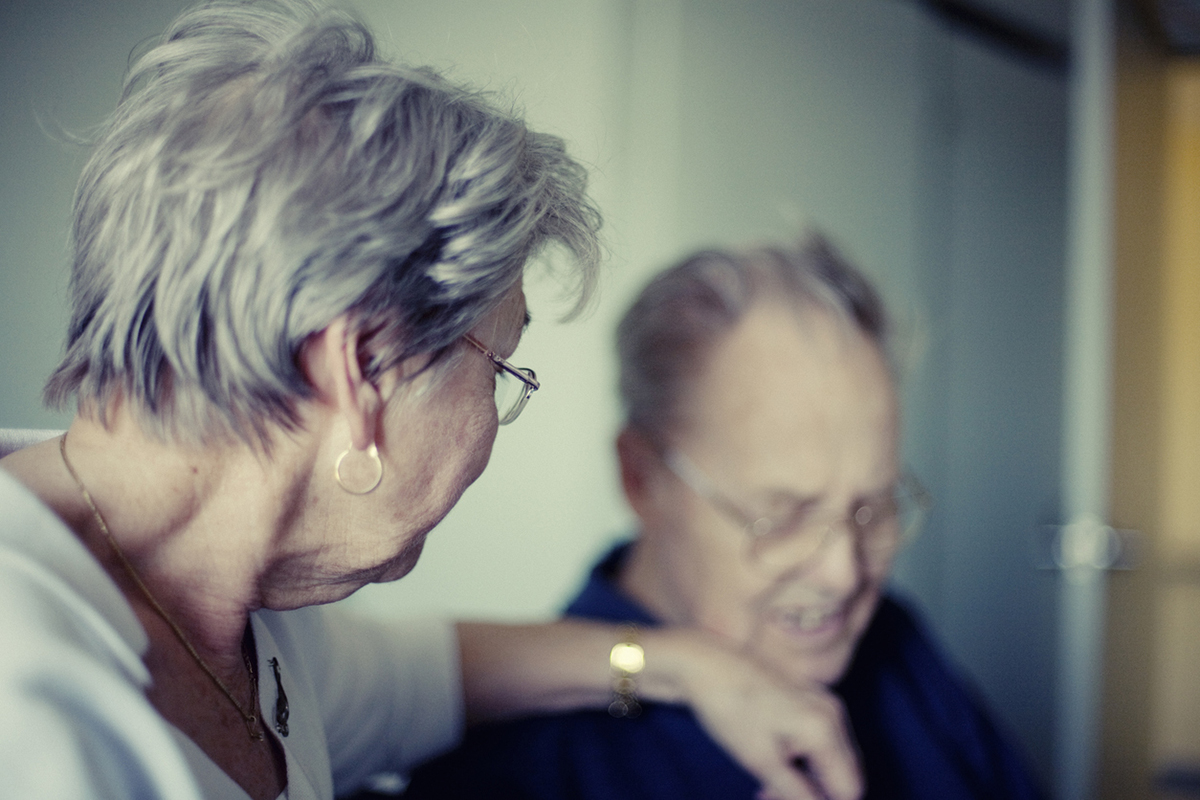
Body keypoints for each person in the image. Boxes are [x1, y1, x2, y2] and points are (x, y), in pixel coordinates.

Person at [0, 3, 862, 799]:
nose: (495, 415)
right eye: (498, 366)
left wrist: (688, 667)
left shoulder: (226, 606)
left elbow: (424, 673)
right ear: (363, 369)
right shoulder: (31, 724)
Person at [403, 238, 1047, 799]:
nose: (844, 573)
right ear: (643, 478)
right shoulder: (510, 772)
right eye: (784, 515)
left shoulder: (896, 644)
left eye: (873, 509)